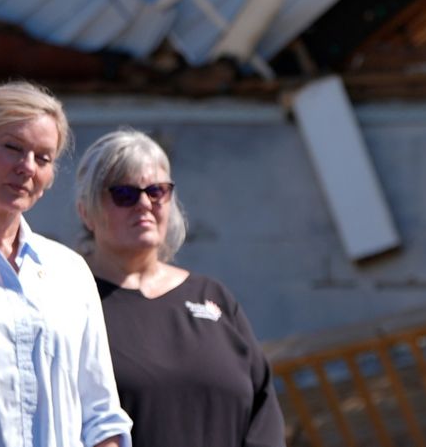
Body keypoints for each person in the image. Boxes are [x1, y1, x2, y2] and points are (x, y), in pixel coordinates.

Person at [0, 81, 132, 446]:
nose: (27, 167)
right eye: (13, 148)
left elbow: (101, 415)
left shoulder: (70, 271)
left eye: (43, 158)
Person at [74, 128, 285, 447]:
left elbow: (263, 409)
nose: (144, 204)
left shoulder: (212, 297)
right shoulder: (69, 299)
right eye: (124, 194)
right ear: (87, 212)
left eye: (157, 191)